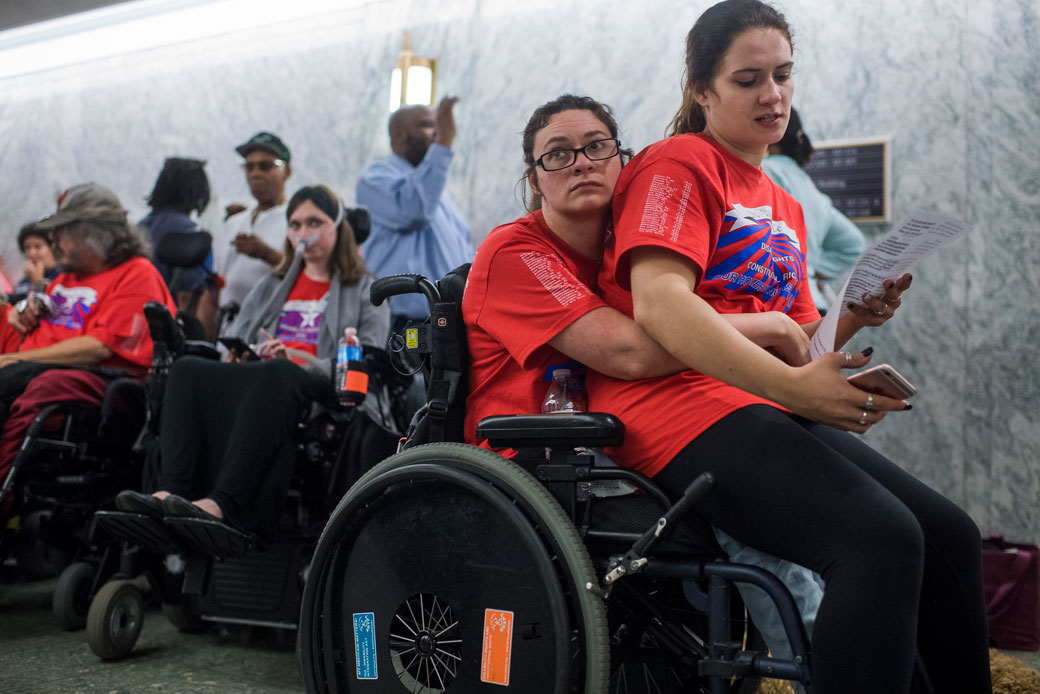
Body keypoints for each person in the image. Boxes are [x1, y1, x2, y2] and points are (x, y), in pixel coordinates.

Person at [584, 2, 990, 692]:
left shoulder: (784, 201)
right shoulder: (676, 163)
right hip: (676, 411)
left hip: (757, 401)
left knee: (950, 536)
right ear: (702, 90)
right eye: (748, 79)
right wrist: (797, 390)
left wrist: (853, 319)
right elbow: (659, 303)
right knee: (878, 539)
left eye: (782, 75)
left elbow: (799, 343)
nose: (772, 94)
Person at [462, 93, 823, 666]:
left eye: (597, 147)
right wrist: (762, 327)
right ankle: (818, 662)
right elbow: (629, 353)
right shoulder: (514, 252)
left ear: (623, 161)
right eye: (557, 155)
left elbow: (720, 337)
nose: (581, 162)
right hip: (541, 459)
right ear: (534, 180)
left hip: (631, 435)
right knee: (743, 503)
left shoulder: (640, 250)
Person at [119, 185, 389, 543]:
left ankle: (223, 504)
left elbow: (368, 355)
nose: (303, 233)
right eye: (295, 225)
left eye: (314, 222)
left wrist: (293, 359)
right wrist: (239, 354)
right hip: (264, 377)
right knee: (185, 368)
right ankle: (173, 493)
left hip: (323, 386)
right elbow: (240, 337)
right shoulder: (271, 285)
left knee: (275, 372)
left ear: (339, 228)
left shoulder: (366, 290)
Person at [0, 183, 176, 510]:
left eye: (62, 232)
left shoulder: (137, 273)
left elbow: (98, 346)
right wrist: (25, 314)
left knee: (32, 384)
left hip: (100, 377)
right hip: (32, 364)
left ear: (92, 234)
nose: (53, 241)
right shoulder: (67, 277)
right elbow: (44, 321)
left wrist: (16, 359)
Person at [357, 98, 474, 329]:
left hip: (449, 319)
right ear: (400, 135)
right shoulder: (375, 178)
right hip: (403, 322)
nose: (436, 132)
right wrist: (444, 142)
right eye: (427, 125)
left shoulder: (438, 193)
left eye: (438, 126)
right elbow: (414, 212)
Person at [762, 107, 866, 310]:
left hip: (781, 309)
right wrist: (811, 270)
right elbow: (854, 244)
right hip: (814, 307)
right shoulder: (813, 191)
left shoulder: (763, 172)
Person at [138, 157, 216, 329]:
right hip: (166, 324)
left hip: (133, 316)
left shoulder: (140, 227)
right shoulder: (192, 234)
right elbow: (189, 294)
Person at [220, 131, 293, 309]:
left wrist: (268, 255)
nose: (255, 174)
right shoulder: (234, 223)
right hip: (228, 327)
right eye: (249, 167)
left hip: (271, 330)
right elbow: (217, 283)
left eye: (265, 166)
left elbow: (311, 275)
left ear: (287, 171)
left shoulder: (296, 222)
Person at [9, 223, 60, 302]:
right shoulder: (23, 282)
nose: (32, 253)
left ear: (52, 248)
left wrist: (38, 282)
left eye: (38, 246)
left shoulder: (61, 277)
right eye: (27, 247)